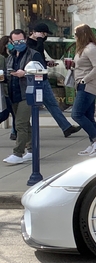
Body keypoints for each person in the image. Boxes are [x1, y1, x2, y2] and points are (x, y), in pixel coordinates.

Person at [27, 22, 81, 138]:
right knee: (29, 106)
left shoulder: (36, 43)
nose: (45, 36)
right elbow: (35, 55)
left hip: (41, 77)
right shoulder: (30, 44)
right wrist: (40, 40)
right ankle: (15, 131)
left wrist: (47, 63)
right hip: (35, 78)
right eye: (44, 34)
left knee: (51, 104)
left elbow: (39, 59)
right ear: (39, 33)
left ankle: (66, 127)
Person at [2, 29, 45, 164]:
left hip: (28, 92)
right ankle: (32, 150)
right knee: (25, 124)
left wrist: (25, 73)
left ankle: (18, 153)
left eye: (21, 40)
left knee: (19, 123)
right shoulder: (11, 56)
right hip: (14, 93)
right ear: (11, 42)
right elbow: (8, 75)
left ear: (26, 39)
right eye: (16, 41)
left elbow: (43, 74)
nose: (19, 43)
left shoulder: (33, 54)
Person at [70, 24, 96, 157]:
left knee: (76, 114)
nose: (74, 37)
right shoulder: (83, 49)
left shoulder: (91, 48)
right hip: (84, 85)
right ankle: (95, 144)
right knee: (88, 116)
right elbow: (84, 65)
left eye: (75, 34)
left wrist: (84, 80)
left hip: (88, 86)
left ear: (82, 35)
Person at [0, 35, 17, 140]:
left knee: (14, 113)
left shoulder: (12, 55)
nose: (12, 45)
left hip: (10, 88)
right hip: (6, 88)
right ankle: (15, 132)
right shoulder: (3, 58)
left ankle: (15, 132)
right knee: (7, 112)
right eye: (10, 42)